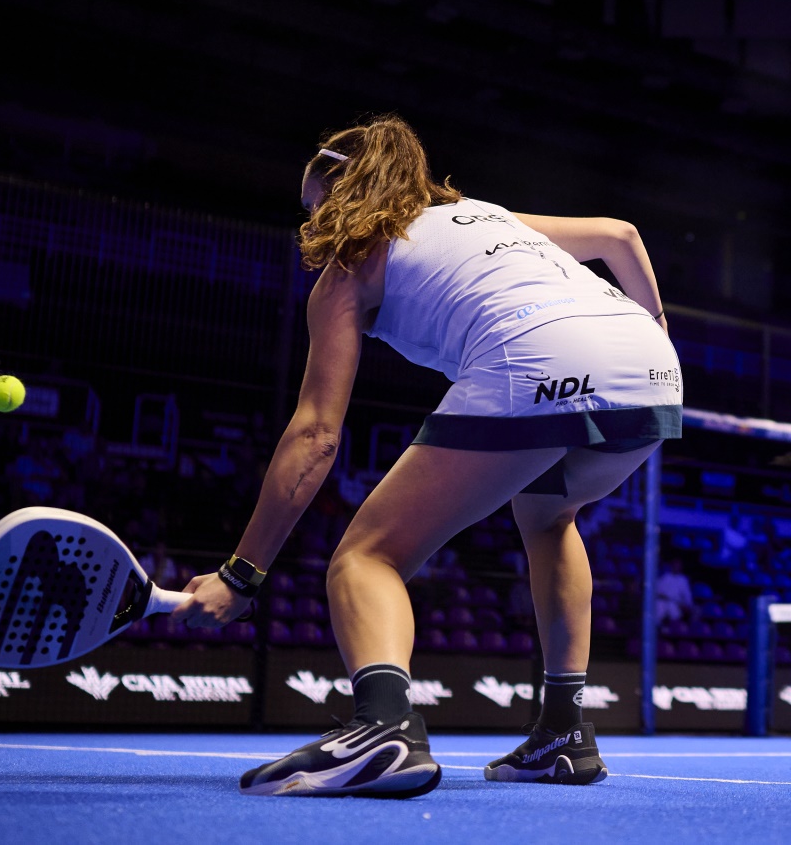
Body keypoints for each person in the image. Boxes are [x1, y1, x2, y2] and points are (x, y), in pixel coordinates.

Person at [175, 114, 682, 797]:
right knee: (547, 515)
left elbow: (316, 435)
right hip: (649, 363)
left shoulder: (350, 265)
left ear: (341, 192)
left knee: (367, 557)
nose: (309, 220)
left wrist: (242, 574)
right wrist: (652, 330)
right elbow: (620, 237)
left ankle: (384, 724)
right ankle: (562, 730)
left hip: (536, 358)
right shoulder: (485, 214)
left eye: (311, 203)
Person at [655, 557, 695, 624]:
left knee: (674, 611)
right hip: (663, 602)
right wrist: (664, 597)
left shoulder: (684, 580)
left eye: (678, 565)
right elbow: (657, 591)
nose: (676, 567)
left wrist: (687, 605)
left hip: (677, 605)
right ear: (671, 565)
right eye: (675, 564)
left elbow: (688, 596)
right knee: (659, 606)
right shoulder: (664, 577)